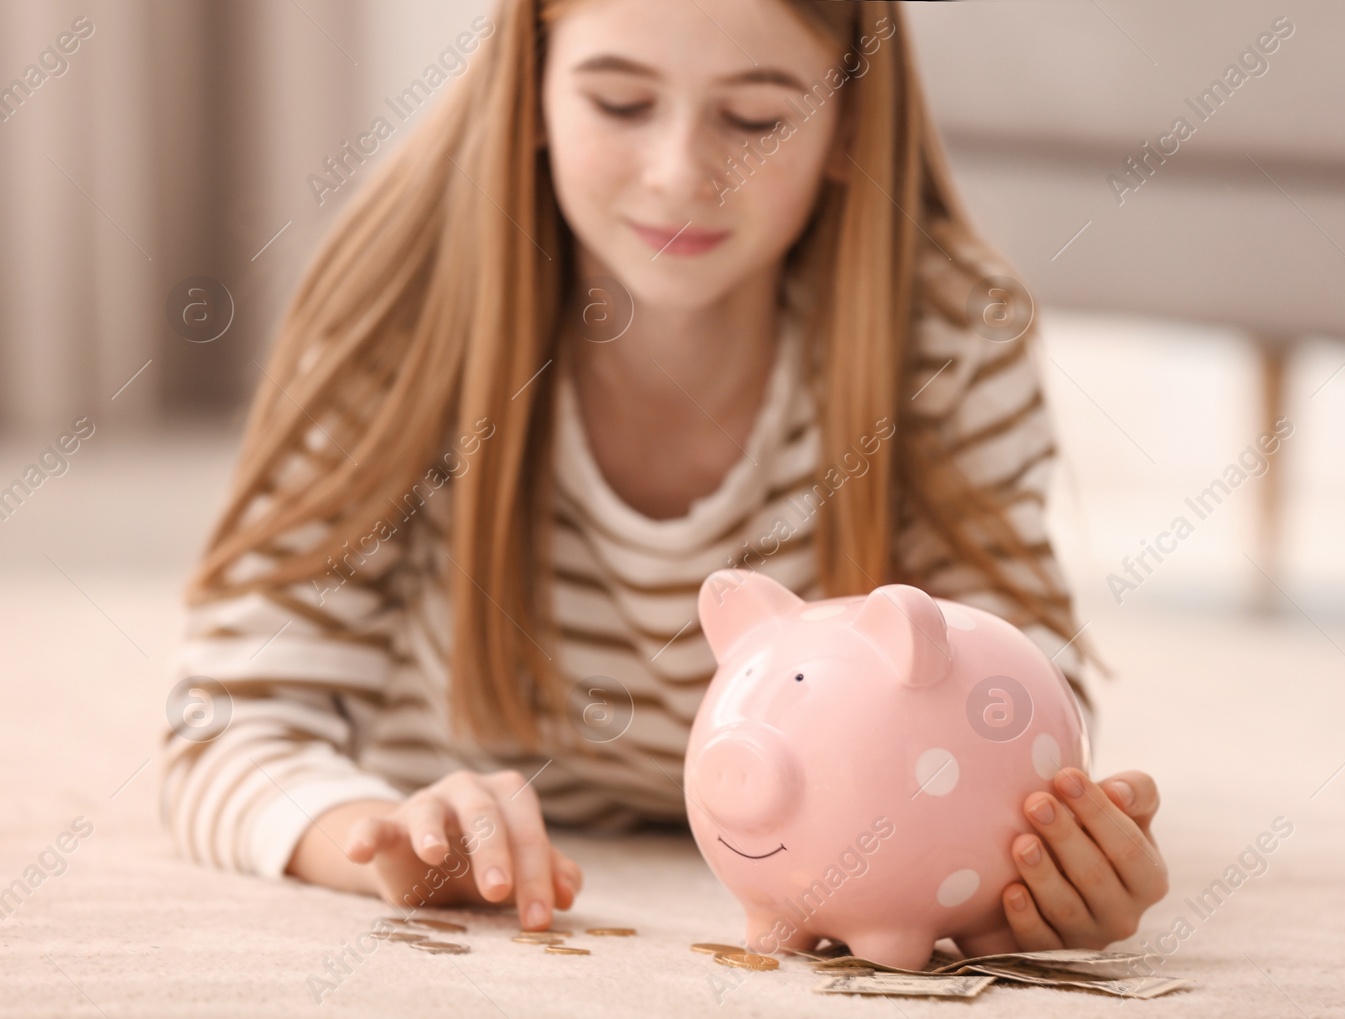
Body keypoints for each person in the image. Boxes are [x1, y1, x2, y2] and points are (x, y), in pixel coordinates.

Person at [159, 0, 1167, 954]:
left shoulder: (946, 329)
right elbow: (229, 723)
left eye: (756, 116)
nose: (682, 171)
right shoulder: (401, 313)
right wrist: (380, 837)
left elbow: (1019, 687)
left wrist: (1030, 856)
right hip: (450, 778)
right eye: (620, 102)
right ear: (532, 87)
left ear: (851, 122)